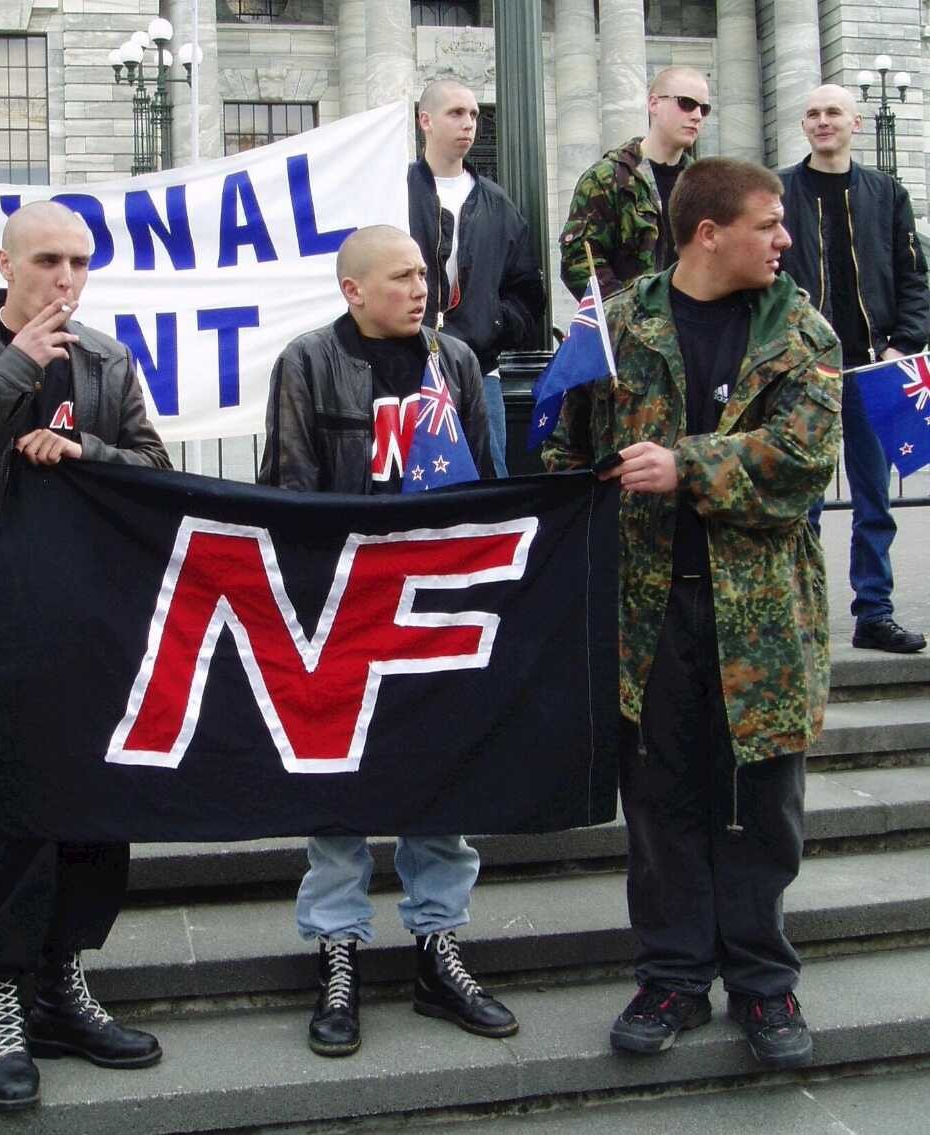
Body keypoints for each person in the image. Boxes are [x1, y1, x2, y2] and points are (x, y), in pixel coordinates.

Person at [543, 159, 842, 1069]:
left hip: (763, 618)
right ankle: (671, 973)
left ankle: (762, 982)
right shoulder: (617, 323)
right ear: (708, 233)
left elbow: (801, 461)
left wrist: (689, 464)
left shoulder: (803, 330)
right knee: (662, 799)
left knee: (763, 805)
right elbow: (568, 443)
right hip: (647, 610)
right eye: (767, 223)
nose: (784, 239)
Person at [0, 201, 171, 1113]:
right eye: (49, 260)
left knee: (97, 806)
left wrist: (84, 448)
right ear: (7, 262)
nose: (67, 279)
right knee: (14, 810)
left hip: (95, 618)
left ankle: (61, 981)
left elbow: (153, 466)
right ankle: (5, 992)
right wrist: (14, 372)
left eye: (81, 262)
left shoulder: (104, 358)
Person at [258, 224, 517, 1056]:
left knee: (437, 781)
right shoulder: (306, 361)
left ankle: (439, 945)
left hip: (431, 610)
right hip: (338, 608)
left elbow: (485, 484)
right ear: (353, 291)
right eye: (402, 275)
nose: (421, 286)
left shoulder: (458, 363)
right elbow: (288, 485)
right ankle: (338, 949)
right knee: (334, 783)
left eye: (425, 272)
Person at [779, 84, 930, 653]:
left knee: (874, 499)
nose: (823, 122)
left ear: (856, 123)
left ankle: (875, 612)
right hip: (803, 372)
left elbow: (914, 276)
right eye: (813, 114)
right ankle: (803, 613)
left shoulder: (886, 193)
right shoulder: (781, 190)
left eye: (833, 112)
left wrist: (903, 343)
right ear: (804, 125)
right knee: (804, 503)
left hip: (872, 370)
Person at [408, 77, 546, 477]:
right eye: (456, 113)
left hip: (479, 370)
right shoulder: (395, 191)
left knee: (489, 480)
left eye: (473, 114)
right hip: (407, 369)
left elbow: (525, 288)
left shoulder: (496, 202)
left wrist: (493, 326)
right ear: (426, 121)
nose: (469, 123)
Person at [560, 65, 710, 300]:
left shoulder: (706, 183)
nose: (697, 116)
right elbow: (580, 262)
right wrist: (633, 317)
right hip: (631, 328)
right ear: (654, 104)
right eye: (686, 103)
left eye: (704, 108)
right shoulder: (607, 178)